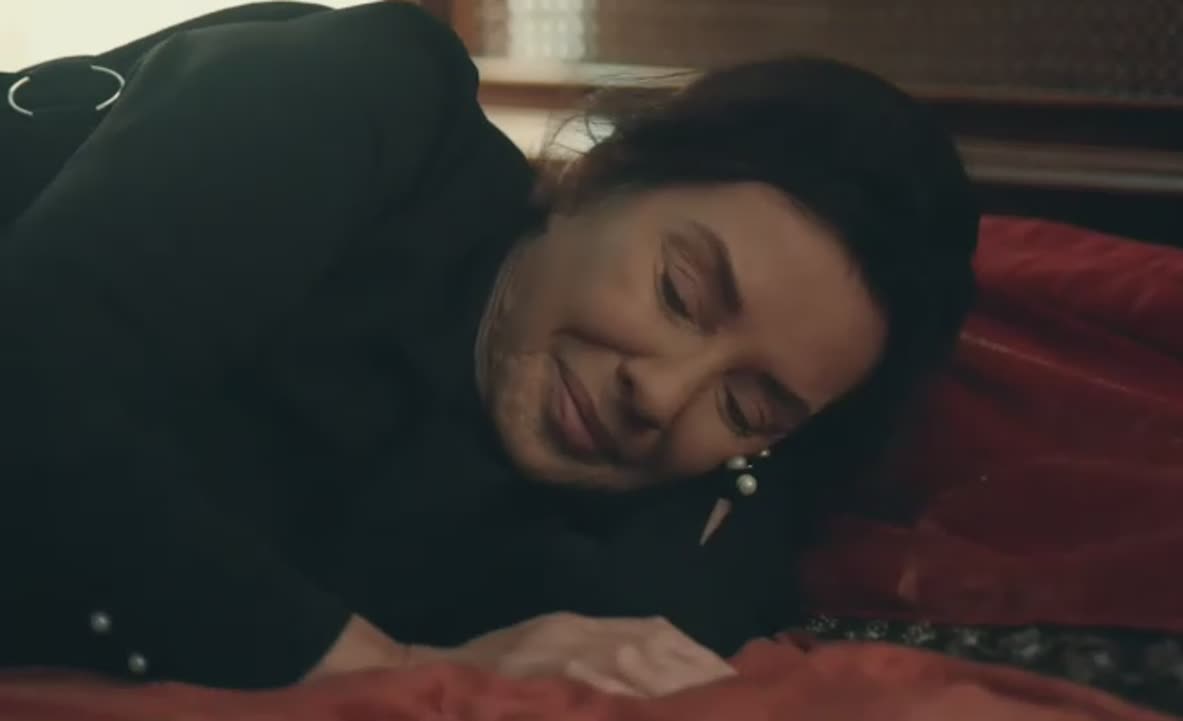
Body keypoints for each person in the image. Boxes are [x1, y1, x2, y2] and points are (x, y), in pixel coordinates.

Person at [0, 0, 977, 695]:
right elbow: (30, 374)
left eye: (745, 405)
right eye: (679, 296)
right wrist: (374, 667)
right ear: (594, 178)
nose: (662, 395)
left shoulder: (670, 514)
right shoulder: (368, 94)